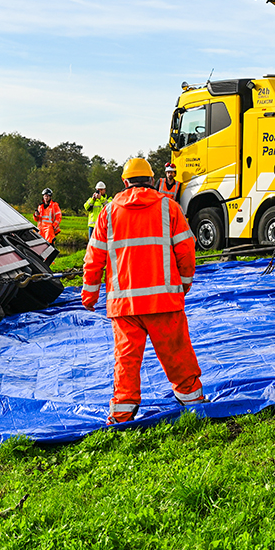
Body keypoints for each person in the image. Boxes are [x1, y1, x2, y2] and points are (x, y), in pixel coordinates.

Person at [82, 157, 205, 424]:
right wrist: (184, 284)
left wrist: (89, 294)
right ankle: (193, 400)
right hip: (164, 300)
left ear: (125, 182)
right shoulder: (168, 208)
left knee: (126, 359)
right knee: (177, 353)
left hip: (124, 305)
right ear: (151, 180)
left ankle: (123, 411)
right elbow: (186, 249)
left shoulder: (108, 212)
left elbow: (94, 257)